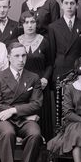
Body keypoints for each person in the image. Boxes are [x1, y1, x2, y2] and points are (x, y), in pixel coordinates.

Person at [0, 42, 43, 162]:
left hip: (22, 118)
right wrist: (21, 112)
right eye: (17, 56)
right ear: (9, 57)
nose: (21, 59)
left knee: (35, 133)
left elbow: (37, 104)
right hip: (2, 120)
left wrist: (14, 110)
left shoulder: (33, 77)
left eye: (24, 55)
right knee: (8, 133)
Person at [18, 11, 53, 140]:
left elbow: (50, 63)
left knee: (43, 117)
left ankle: (46, 153)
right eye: (26, 22)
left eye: (32, 22)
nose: (29, 25)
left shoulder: (44, 41)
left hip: (41, 84)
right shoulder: (17, 41)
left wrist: (45, 78)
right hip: (23, 86)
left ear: (36, 24)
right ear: (22, 24)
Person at [48, 0, 81, 86]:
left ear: (77, 5)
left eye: (72, 3)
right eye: (66, 3)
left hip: (80, 71)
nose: (69, 6)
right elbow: (51, 55)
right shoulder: (53, 27)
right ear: (62, 5)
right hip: (61, 71)